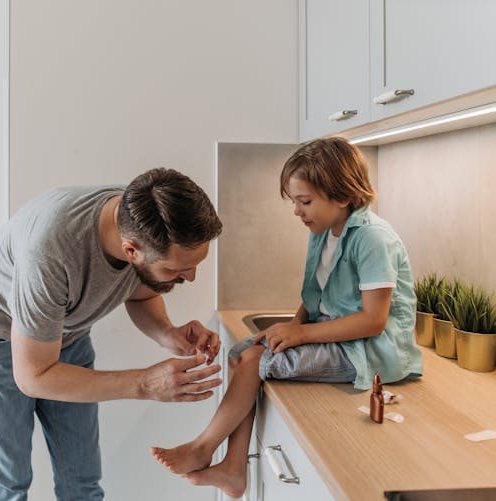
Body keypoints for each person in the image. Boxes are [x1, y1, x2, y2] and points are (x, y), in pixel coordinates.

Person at [150, 137, 423, 498]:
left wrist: (303, 335)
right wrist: (295, 326)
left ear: (342, 196)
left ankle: (203, 448)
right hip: (336, 337)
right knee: (240, 353)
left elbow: (374, 320)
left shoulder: (372, 239)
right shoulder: (322, 231)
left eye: (305, 201)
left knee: (255, 361)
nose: (297, 211)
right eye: (294, 201)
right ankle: (233, 466)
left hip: (368, 351)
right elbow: (314, 297)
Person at [0, 167, 225, 501]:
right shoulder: (51, 251)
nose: (191, 276)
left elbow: (142, 291)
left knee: (82, 478)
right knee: (7, 482)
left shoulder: (144, 216)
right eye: (176, 269)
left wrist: (168, 333)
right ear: (131, 251)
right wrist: (145, 383)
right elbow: (33, 375)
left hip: (67, 332)